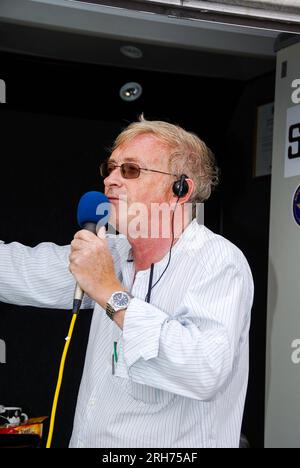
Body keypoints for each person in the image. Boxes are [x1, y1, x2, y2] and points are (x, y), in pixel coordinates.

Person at [0, 116, 253, 448]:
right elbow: (19, 270)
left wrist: (110, 292)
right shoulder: (113, 251)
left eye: (130, 170)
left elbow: (202, 370)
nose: (110, 181)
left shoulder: (218, 261)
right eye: (110, 168)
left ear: (180, 189)